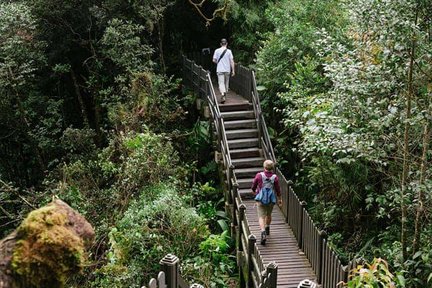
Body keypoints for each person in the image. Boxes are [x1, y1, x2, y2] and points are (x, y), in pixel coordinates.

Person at [251, 160, 282, 245]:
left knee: (261, 216)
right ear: (272, 168)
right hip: (271, 200)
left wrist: (255, 192)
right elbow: (278, 189)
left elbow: (253, 186)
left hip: (261, 199)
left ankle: (263, 231)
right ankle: (267, 227)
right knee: (268, 215)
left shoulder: (259, 175)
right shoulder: (275, 177)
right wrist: (279, 199)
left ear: (264, 167)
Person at [212, 38, 235, 103]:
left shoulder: (217, 50)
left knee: (221, 83)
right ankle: (224, 94)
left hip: (220, 69)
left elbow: (214, 60)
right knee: (226, 83)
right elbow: (232, 61)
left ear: (220, 44)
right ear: (226, 44)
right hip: (227, 70)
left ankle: (222, 94)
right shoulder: (229, 51)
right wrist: (233, 70)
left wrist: (218, 63)